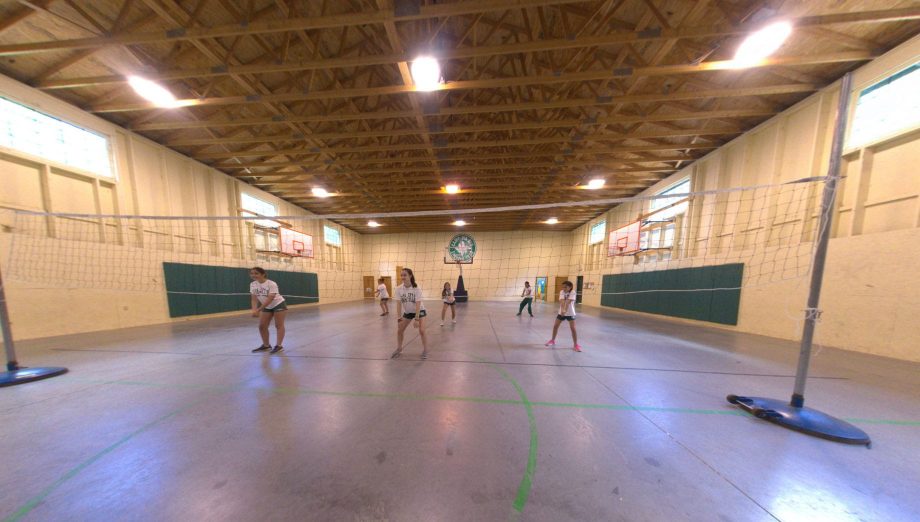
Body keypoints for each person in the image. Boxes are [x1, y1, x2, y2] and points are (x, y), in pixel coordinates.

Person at [392, 268, 430, 360]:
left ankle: (425, 350)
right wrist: (399, 318)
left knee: (422, 330)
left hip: (419, 311)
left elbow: (418, 304)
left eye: (405, 275)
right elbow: (398, 304)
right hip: (408, 312)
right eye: (401, 275)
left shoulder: (416, 288)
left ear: (410, 276)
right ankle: (399, 348)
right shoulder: (398, 289)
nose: (403, 277)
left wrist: (417, 319)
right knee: (400, 330)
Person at [249, 267, 287, 354]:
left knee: (278, 325)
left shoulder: (271, 284)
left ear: (263, 274)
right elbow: (254, 298)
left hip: (278, 304)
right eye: (252, 273)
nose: (253, 275)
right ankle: (266, 345)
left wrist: (259, 309)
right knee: (262, 326)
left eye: (256, 273)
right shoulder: (253, 284)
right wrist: (254, 310)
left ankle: (279, 346)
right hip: (266, 306)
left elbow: (270, 298)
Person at [546, 281, 581, 352]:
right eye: (563, 287)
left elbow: (568, 302)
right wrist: (562, 311)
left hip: (570, 313)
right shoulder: (562, 291)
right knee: (555, 326)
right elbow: (562, 301)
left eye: (565, 287)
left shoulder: (573, 292)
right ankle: (552, 340)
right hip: (561, 313)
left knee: (573, 329)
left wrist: (565, 310)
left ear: (570, 287)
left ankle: (575, 345)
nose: (564, 288)